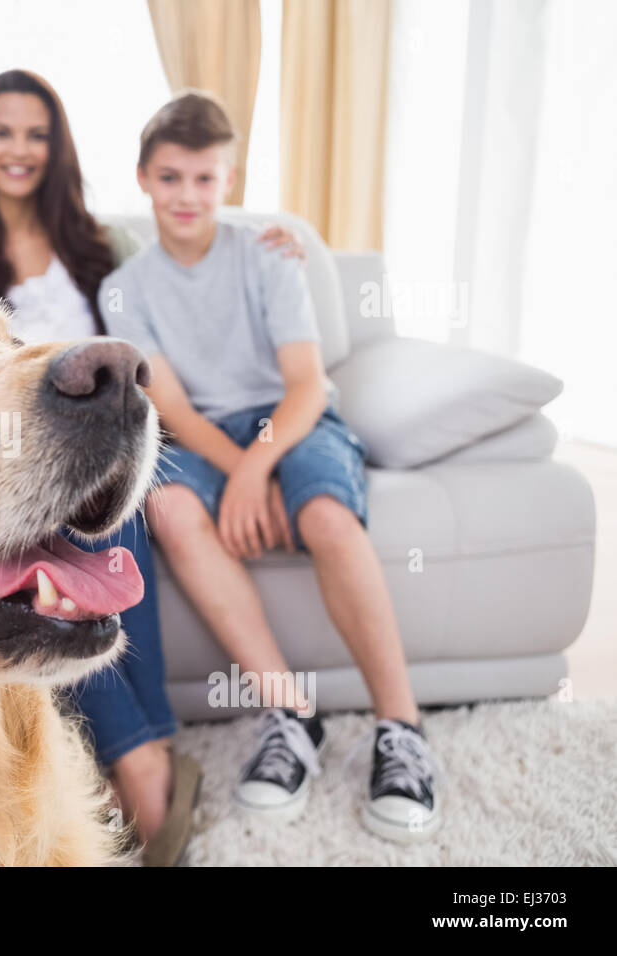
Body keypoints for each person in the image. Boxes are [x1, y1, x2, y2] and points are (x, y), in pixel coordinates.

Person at [0, 70, 302, 864]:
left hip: (109, 445)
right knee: (46, 543)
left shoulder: (104, 247)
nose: (19, 150)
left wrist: (275, 251)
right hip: (7, 450)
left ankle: (140, 755)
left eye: (37, 134)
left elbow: (180, 285)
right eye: (3, 133)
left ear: (58, 148)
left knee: (124, 506)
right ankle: (144, 759)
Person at [101, 90, 442, 843]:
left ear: (230, 181)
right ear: (143, 179)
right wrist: (239, 471)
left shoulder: (269, 253)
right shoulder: (126, 289)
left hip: (293, 422)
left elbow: (307, 385)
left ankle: (402, 728)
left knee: (324, 514)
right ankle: (290, 713)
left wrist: (258, 468)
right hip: (203, 438)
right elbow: (178, 412)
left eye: (204, 179)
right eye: (169, 178)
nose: (186, 196)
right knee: (169, 507)